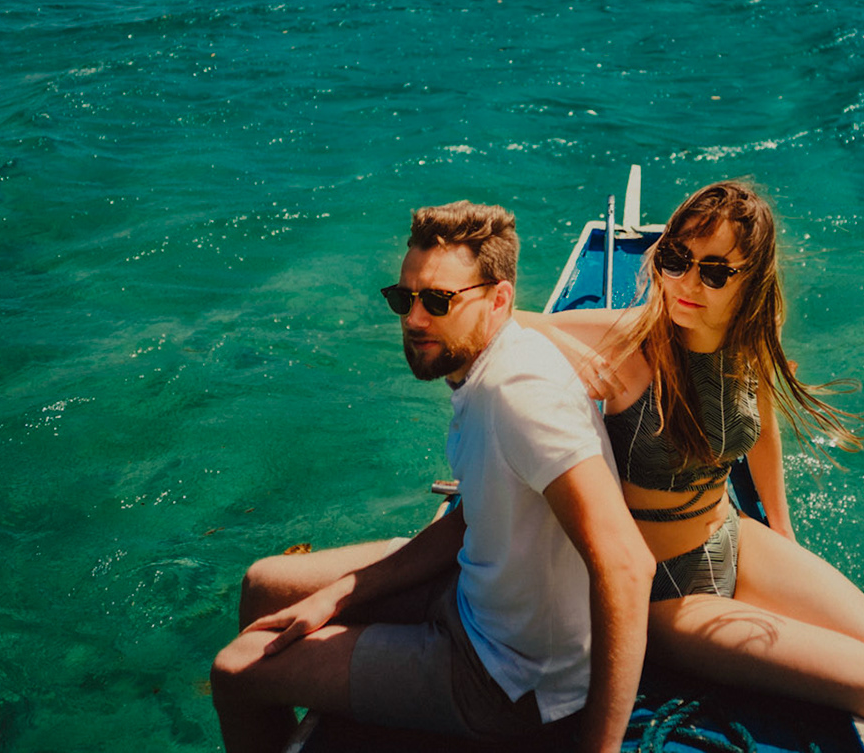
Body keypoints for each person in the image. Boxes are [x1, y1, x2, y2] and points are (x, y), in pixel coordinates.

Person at [211, 201, 652, 753]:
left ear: (499, 299)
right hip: (475, 598)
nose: (415, 319)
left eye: (438, 301)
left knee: (234, 671)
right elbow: (473, 517)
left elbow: (627, 565)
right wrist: (342, 595)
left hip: (506, 678)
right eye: (404, 298)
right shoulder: (487, 361)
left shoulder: (520, 397)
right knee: (265, 586)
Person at [519, 180, 864, 753]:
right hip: (666, 592)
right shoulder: (631, 340)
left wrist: (783, 532)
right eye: (675, 259)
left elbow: (761, 427)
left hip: (734, 538)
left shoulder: (749, 341)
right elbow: (502, 325)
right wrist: (567, 348)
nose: (688, 283)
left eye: (715, 272)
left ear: (749, 283)